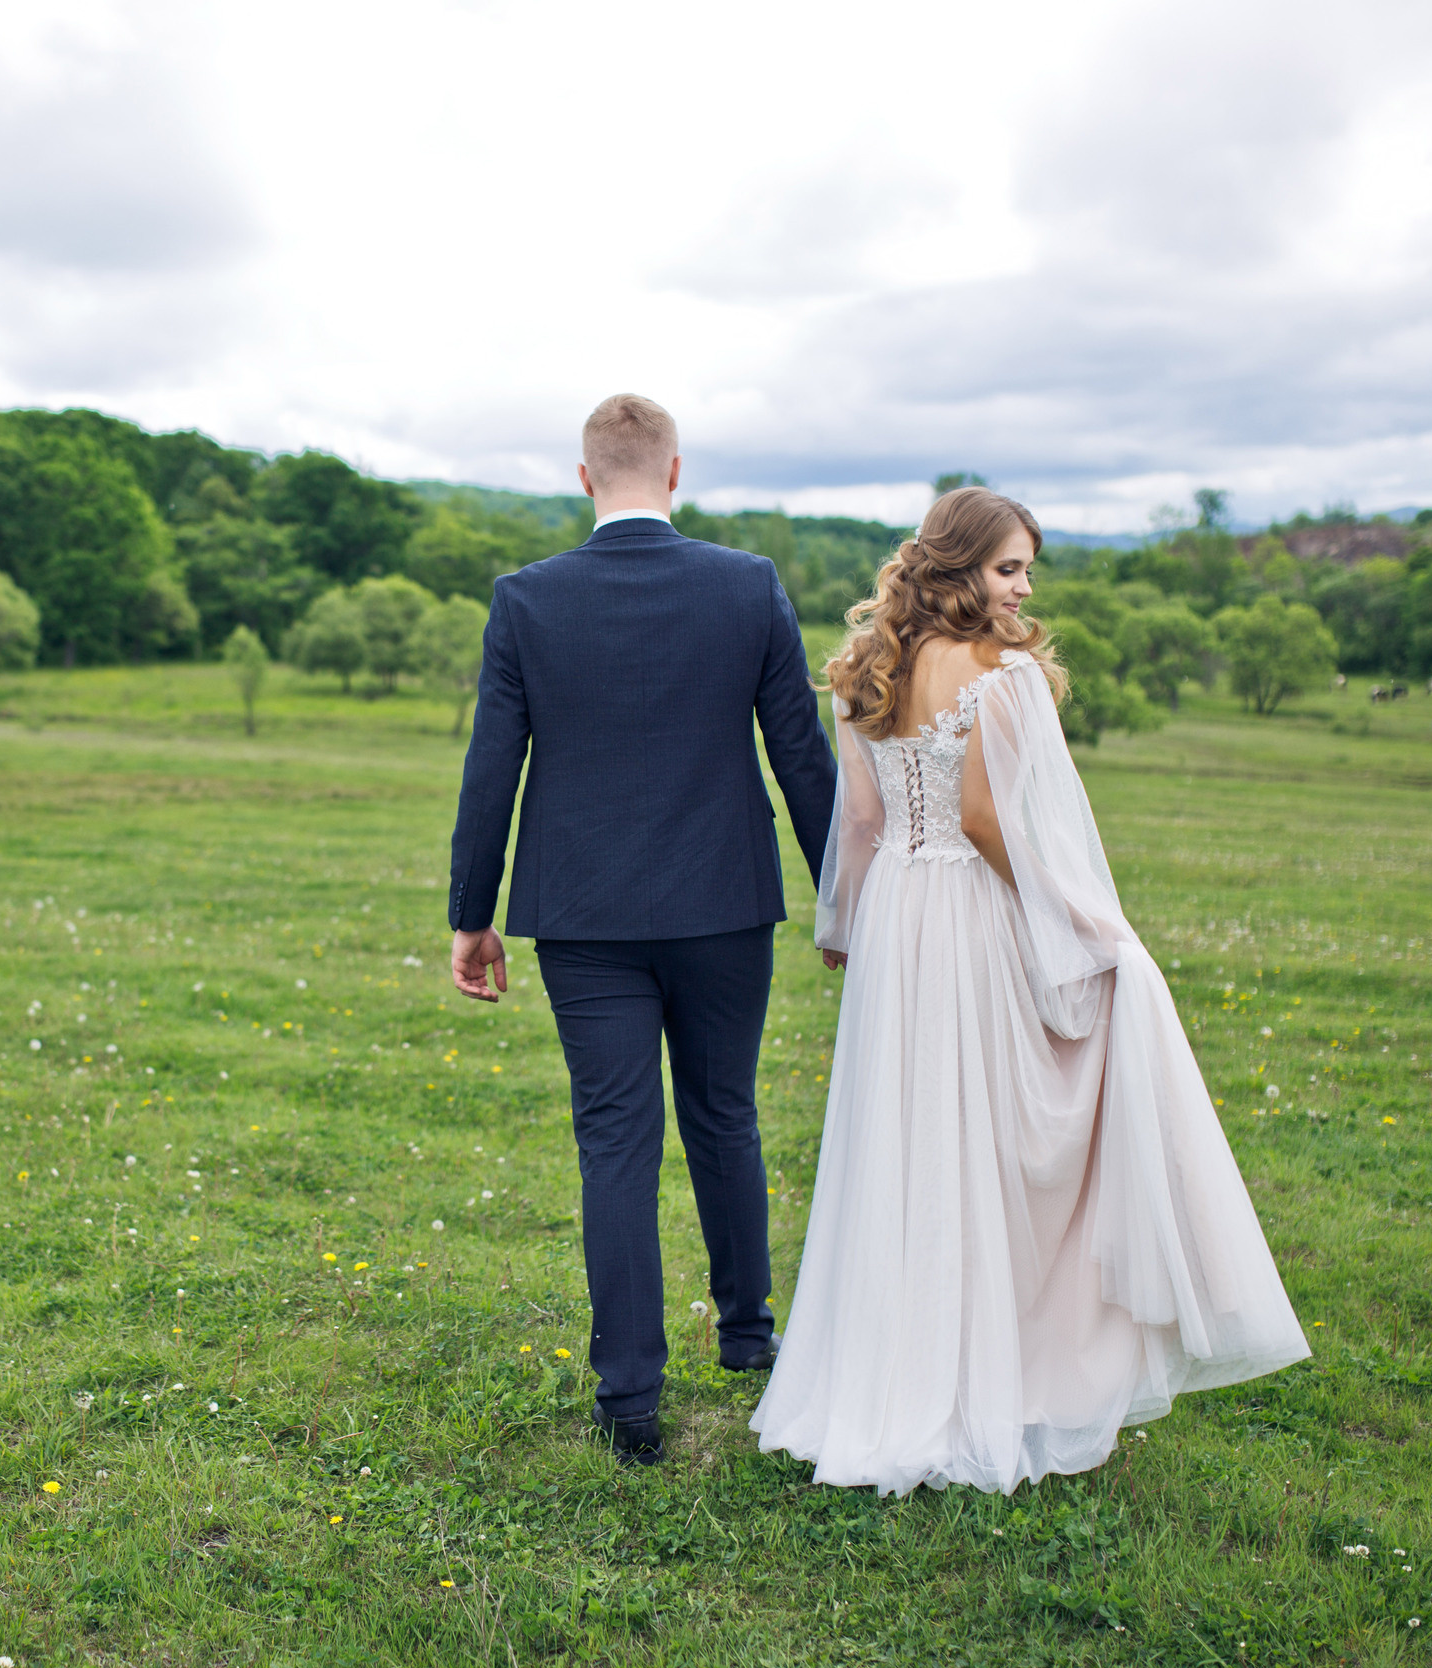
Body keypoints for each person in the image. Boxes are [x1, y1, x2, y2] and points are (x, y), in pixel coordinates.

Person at [749, 486, 1309, 1495]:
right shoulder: (998, 676)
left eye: (1025, 568)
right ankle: (994, 1380)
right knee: (996, 1142)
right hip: (971, 914)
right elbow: (984, 821)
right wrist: (1071, 921)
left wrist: (846, 932)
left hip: (897, 925)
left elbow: (864, 827)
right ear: (959, 566)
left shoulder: (865, 670)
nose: (1023, 586)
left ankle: (895, 1377)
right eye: (1008, 567)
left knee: (910, 1141)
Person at [448, 393, 837, 1467]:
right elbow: (799, 757)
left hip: (580, 912)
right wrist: (844, 894)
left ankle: (630, 1401)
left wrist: (470, 916)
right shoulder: (746, 585)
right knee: (725, 1114)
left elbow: (493, 767)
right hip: (724, 902)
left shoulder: (526, 600)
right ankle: (750, 1342)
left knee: (614, 1139)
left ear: (585, 478)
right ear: (674, 473)